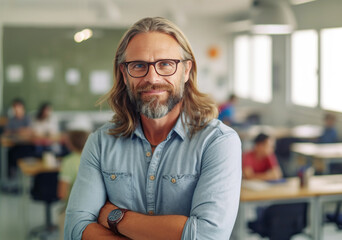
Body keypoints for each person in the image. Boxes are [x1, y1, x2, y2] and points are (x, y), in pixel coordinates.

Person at [65, 17, 242, 240]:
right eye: (138, 65)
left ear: (186, 70)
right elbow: (76, 230)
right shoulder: (100, 142)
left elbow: (208, 236)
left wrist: (115, 217)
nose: (152, 78)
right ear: (124, 73)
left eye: (165, 64)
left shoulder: (218, 142)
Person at [58, 129, 90, 240]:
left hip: (73, 211)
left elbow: (62, 194)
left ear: (70, 144)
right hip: (93, 212)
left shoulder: (68, 162)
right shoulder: (94, 159)